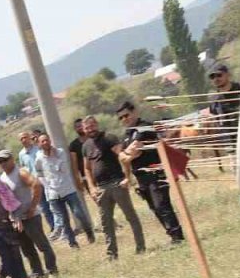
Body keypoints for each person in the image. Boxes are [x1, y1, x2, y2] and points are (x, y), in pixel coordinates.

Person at [81, 115, 146, 260]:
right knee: (106, 223)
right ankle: (112, 254)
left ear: (96, 124)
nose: (90, 129)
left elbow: (122, 157)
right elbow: (87, 169)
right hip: (101, 188)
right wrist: (91, 188)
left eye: (92, 126)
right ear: (83, 130)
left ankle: (140, 247)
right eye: (87, 128)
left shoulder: (109, 138)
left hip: (117, 183)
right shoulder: (85, 146)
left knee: (131, 217)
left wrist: (127, 178)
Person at [118, 101, 183, 244]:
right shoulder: (127, 134)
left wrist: (126, 156)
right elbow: (122, 156)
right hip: (141, 176)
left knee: (161, 205)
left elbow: (134, 150)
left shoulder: (144, 127)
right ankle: (173, 235)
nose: (124, 119)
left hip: (155, 172)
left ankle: (177, 237)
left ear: (134, 112)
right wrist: (127, 156)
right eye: (121, 118)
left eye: (126, 115)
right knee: (154, 207)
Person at [0, 148, 56, 278]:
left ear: (12, 159)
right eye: (0, 161)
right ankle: (37, 272)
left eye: (5, 160)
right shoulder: (2, 178)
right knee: (27, 249)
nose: (3, 163)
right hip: (17, 220)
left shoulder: (20, 172)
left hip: (31, 217)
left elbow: (36, 185)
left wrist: (33, 207)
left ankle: (52, 270)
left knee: (42, 245)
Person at [34, 133, 95, 248]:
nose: (45, 143)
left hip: (68, 189)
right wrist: (46, 185)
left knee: (79, 213)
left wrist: (54, 155)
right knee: (64, 219)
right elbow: (39, 173)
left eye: (47, 140)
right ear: (39, 144)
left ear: (50, 141)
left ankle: (89, 232)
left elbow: (63, 169)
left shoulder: (60, 152)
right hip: (53, 193)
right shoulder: (39, 158)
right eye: (42, 141)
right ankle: (72, 242)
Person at [18, 130, 56, 235]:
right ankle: (53, 227)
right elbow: (24, 169)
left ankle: (60, 226)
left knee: (53, 204)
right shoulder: (21, 154)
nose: (24, 140)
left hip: (45, 181)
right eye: (21, 139)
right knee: (44, 207)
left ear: (30, 138)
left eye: (25, 137)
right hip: (34, 185)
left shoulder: (38, 149)